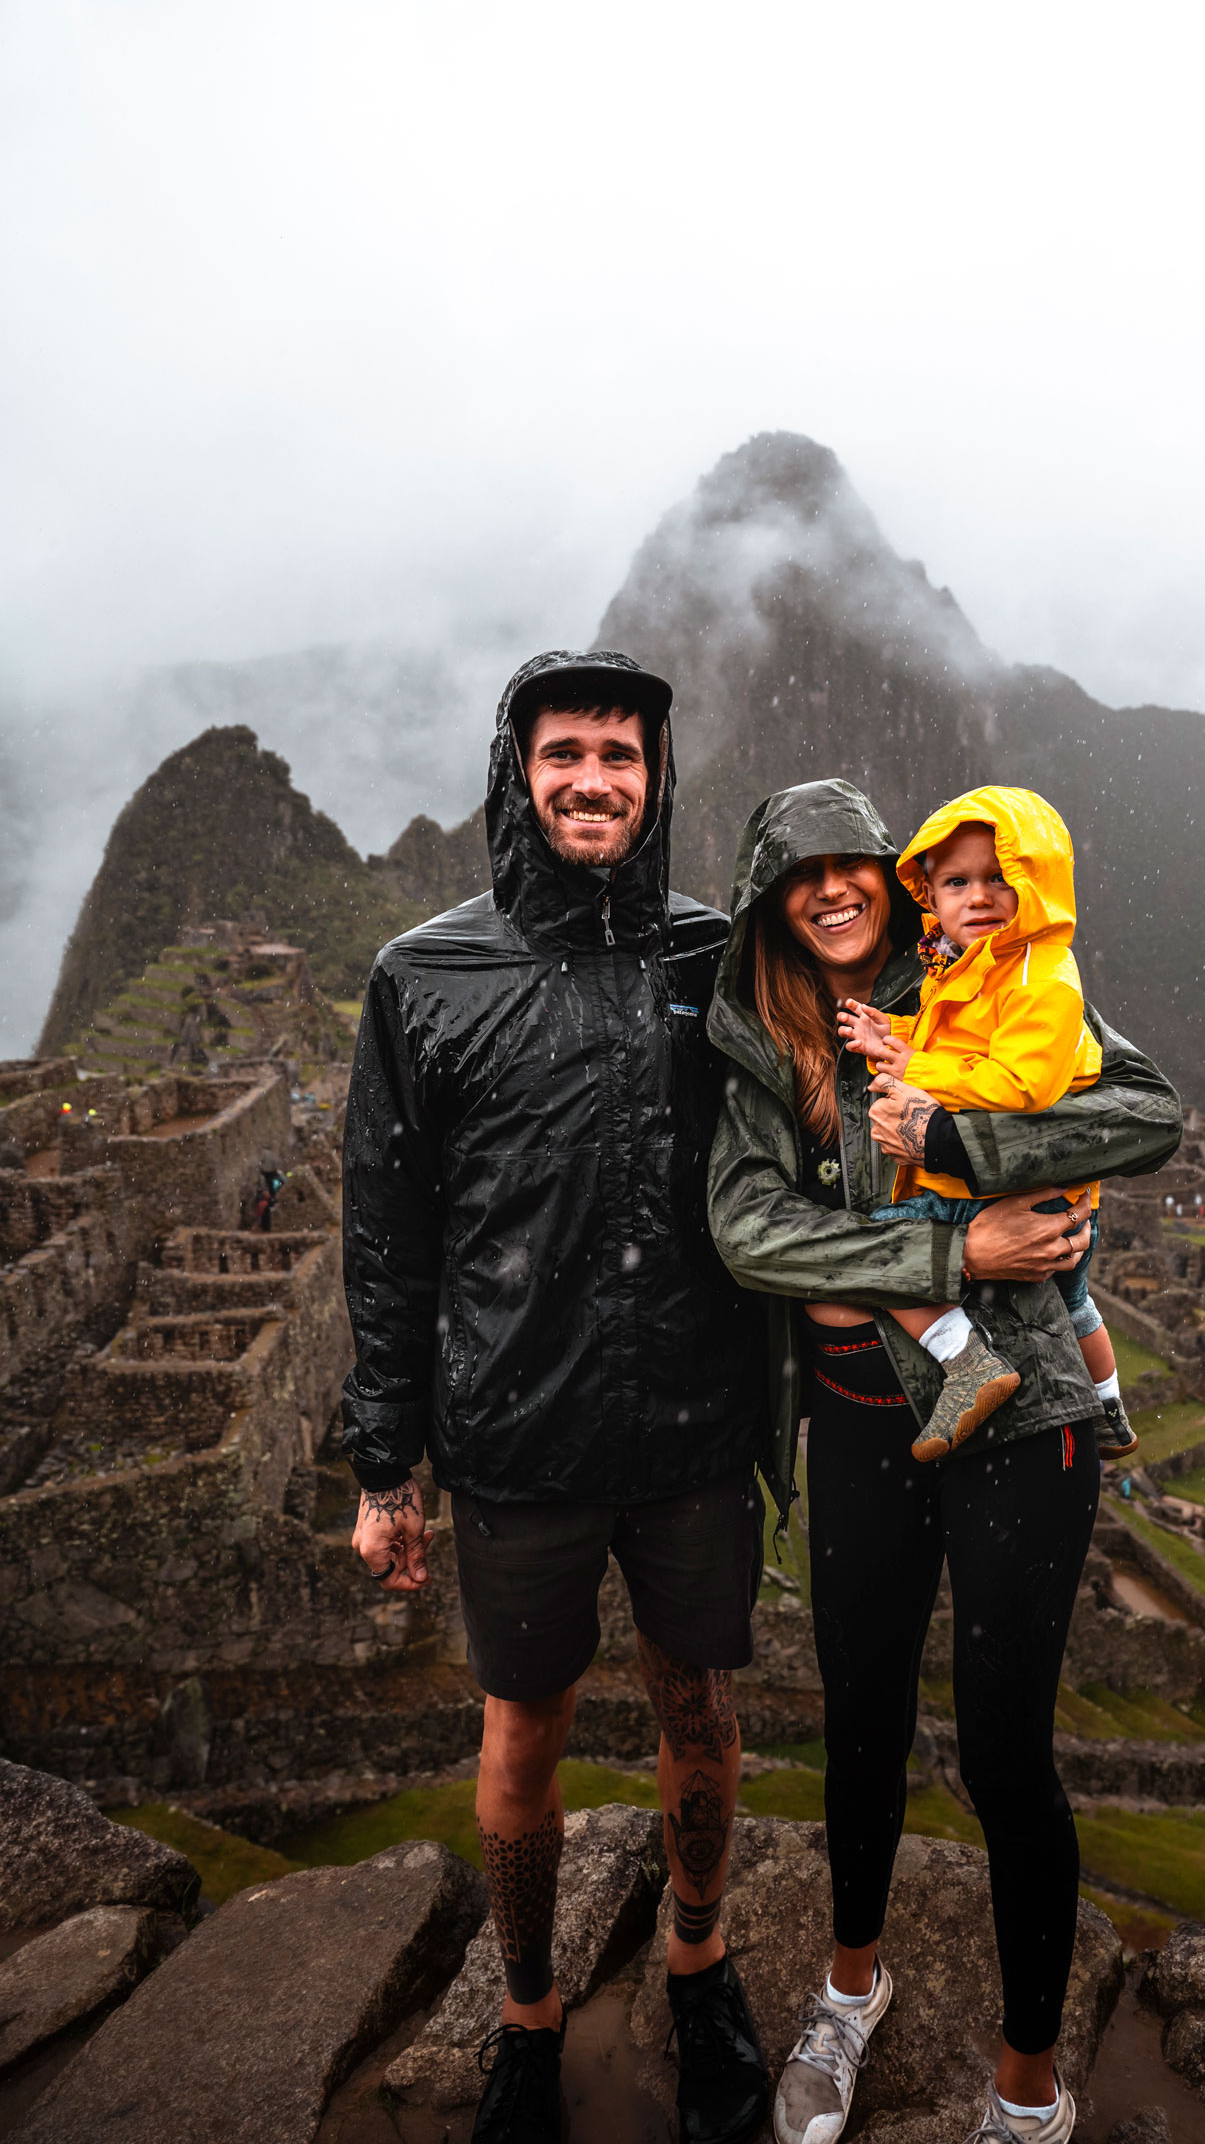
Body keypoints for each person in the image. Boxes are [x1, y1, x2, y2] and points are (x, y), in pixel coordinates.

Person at [706, 778, 1180, 2144]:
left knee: (1003, 1750)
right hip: (859, 1423)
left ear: (893, 877)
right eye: (802, 876)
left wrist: (969, 1139)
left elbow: (1143, 1113)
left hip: (1019, 1422)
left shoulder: (984, 972)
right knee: (856, 1723)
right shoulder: (752, 1038)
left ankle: (1027, 2082)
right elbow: (750, 1232)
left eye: (855, 866)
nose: (833, 891)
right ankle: (849, 1991)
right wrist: (949, 1247)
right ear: (771, 900)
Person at [340, 651, 771, 2144]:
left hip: (696, 1429)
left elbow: (860, 1083)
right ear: (516, 770)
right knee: (520, 1736)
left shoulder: (718, 958)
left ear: (657, 780)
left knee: (699, 1709)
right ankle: (525, 2017)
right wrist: (384, 1465)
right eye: (566, 751)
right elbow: (387, 1236)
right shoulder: (425, 977)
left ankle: (699, 1964)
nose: (594, 777)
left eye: (623, 756)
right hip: (518, 1435)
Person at [835, 786, 1137, 1465]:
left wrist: (916, 1067)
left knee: (882, 1251)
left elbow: (1018, 1084)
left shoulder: (1043, 979)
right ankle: (1110, 1404)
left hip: (1009, 1182)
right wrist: (898, 1030)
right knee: (1076, 1298)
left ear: (1037, 882)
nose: (978, 896)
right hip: (1050, 1189)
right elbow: (962, 1039)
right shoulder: (979, 968)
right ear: (931, 894)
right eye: (956, 881)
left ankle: (966, 1360)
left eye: (1001, 876)